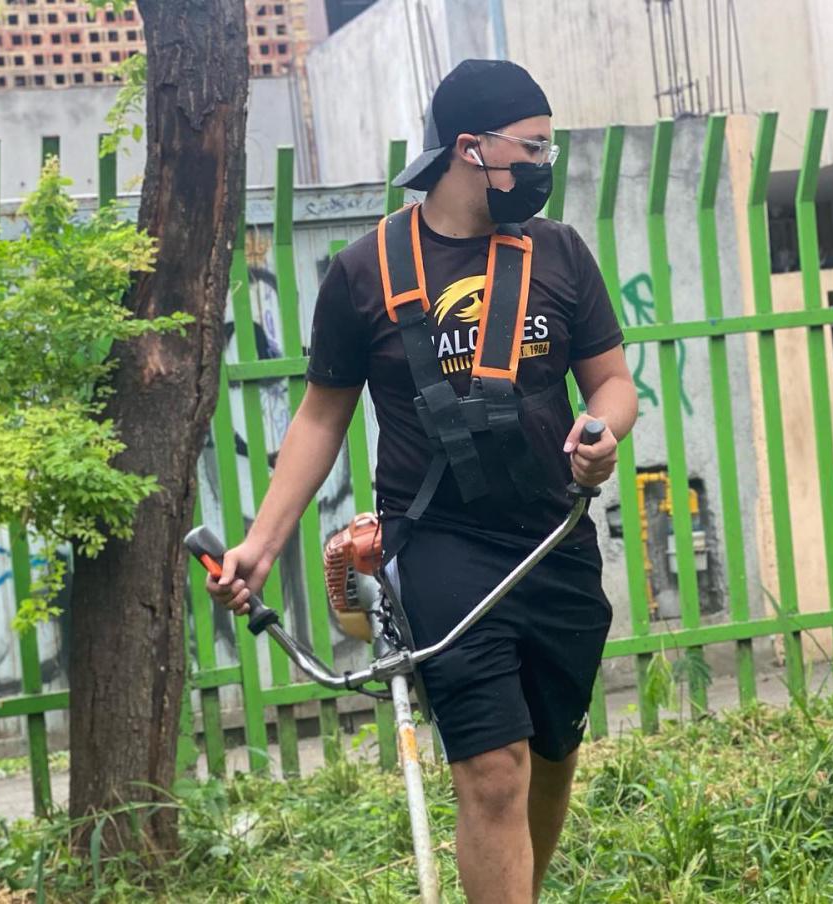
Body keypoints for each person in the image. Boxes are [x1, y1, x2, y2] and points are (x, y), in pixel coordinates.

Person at [208, 58, 637, 903]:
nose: (547, 166)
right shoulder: (364, 270)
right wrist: (261, 542)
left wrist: (602, 433)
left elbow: (612, 382)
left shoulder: (559, 254)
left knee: (551, 754)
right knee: (492, 773)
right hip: (438, 540)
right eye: (534, 147)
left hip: (555, 538)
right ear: (470, 149)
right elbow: (321, 415)